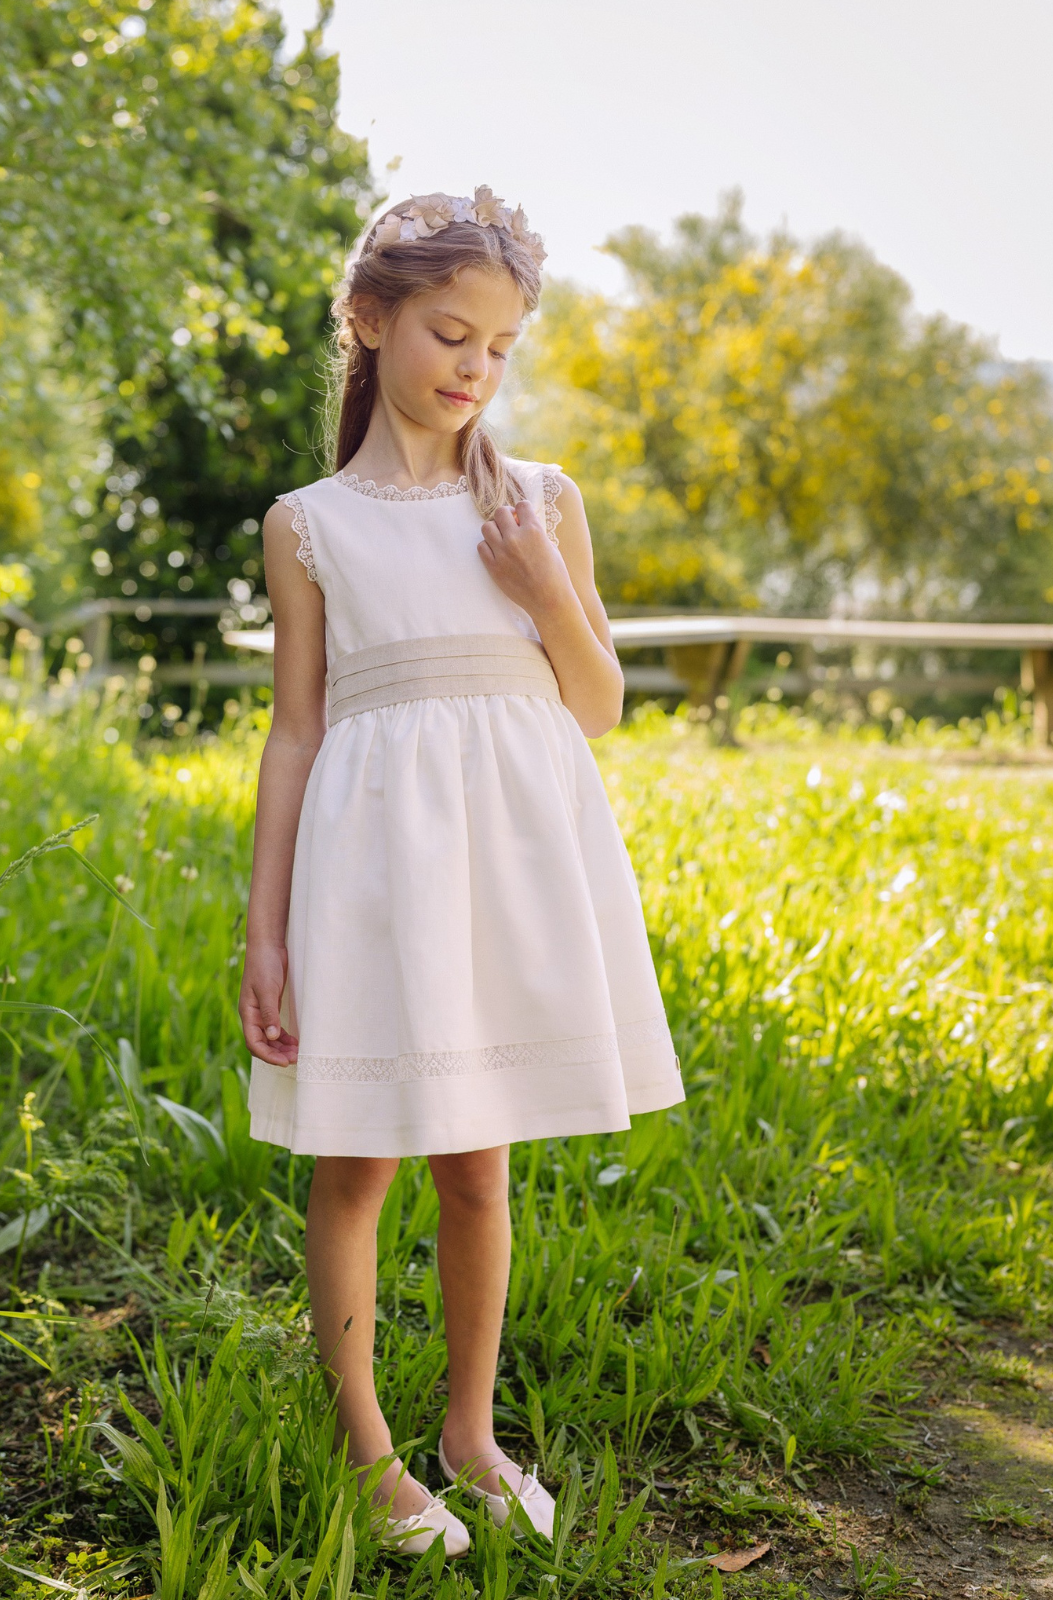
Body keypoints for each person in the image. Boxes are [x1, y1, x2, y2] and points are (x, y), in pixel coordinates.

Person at [237, 187, 685, 1560]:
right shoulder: (309, 524)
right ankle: (368, 1448)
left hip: (502, 867)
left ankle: (473, 1435)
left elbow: (598, 703)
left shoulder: (539, 500)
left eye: (498, 347)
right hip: (373, 875)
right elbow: (298, 728)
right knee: (359, 1160)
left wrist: (544, 584)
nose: (473, 369)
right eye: (448, 333)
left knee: (479, 1168)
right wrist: (267, 934)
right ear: (369, 322)